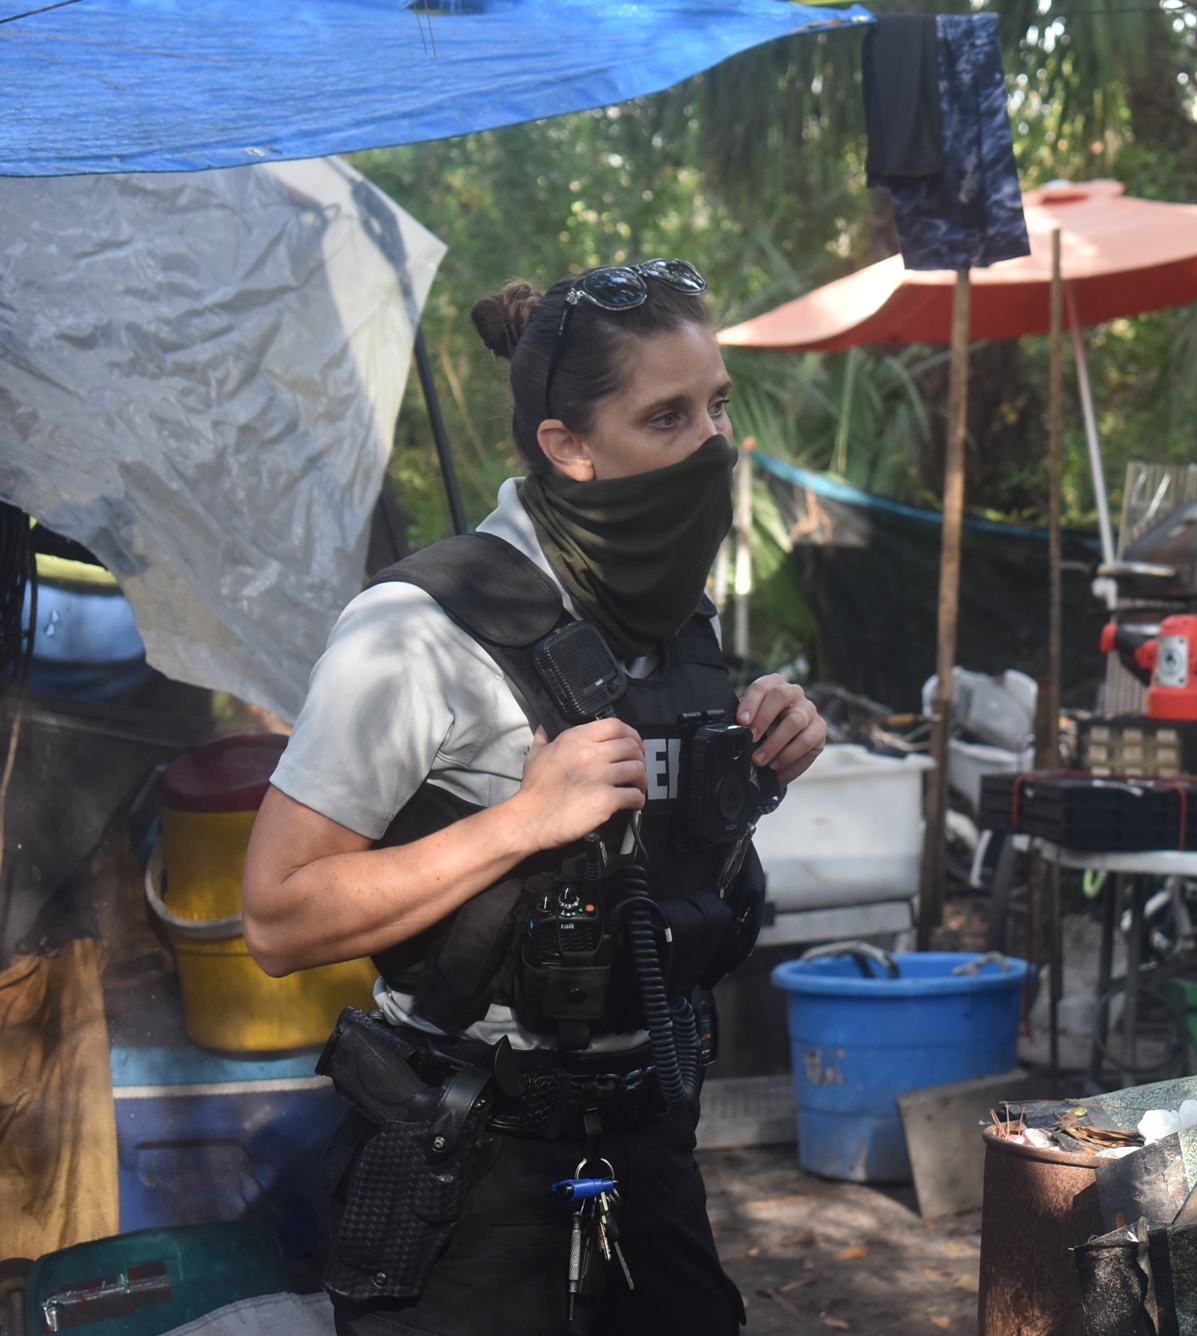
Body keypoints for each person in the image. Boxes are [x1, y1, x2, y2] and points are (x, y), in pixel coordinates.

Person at [242, 257, 826, 1336]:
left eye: (715, 405)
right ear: (569, 445)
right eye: (666, 415)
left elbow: (652, 879)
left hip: (641, 1145)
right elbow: (276, 915)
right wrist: (518, 821)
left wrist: (748, 770)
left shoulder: (669, 605)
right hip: (464, 1165)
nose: (713, 444)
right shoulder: (415, 628)